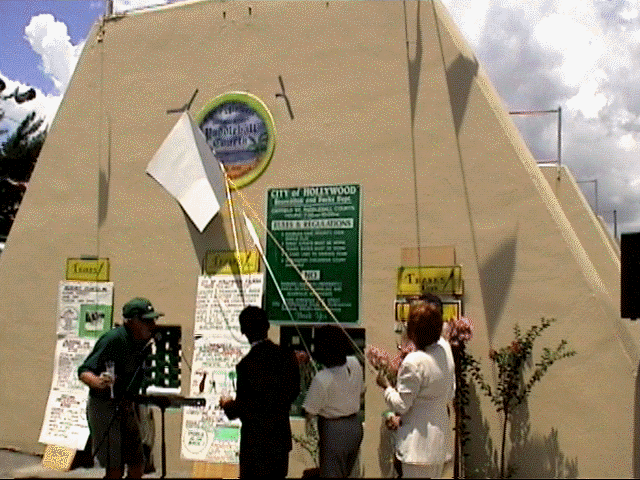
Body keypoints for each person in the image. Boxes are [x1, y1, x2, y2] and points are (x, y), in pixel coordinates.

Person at [78, 297, 163, 479]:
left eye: (154, 320)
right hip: (105, 406)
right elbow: (84, 371)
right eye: (147, 321)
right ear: (132, 321)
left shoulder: (144, 342)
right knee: (115, 469)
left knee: (137, 464)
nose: (153, 325)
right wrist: (98, 382)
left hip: (127, 405)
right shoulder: (113, 339)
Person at [219, 306, 300, 478]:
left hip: (255, 444)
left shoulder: (246, 365)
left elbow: (244, 406)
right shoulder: (287, 357)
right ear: (267, 326)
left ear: (243, 331)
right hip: (279, 440)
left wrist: (227, 405)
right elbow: (294, 391)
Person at [377, 302, 455, 478]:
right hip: (439, 442)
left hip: (417, 446)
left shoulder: (413, 362)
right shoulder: (445, 351)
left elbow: (401, 405)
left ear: (413, 333)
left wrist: (386, 387)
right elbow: (451, 392)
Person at [303, 324, 364, 477]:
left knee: (332, 473)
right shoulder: (354, 363)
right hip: (355, 426)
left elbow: (309, 411)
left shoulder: (322, 379)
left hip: (333, 431)